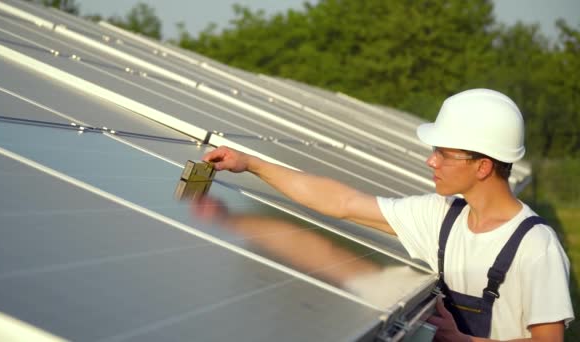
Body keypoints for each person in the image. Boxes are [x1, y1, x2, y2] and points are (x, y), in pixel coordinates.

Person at [202, 88, 574, 341]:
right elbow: (342, 202)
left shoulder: (535, 246)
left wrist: (461, 340)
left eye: (444, 153)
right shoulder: (441, 218)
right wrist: (251, 164)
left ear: (483, 166)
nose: (431, 161)